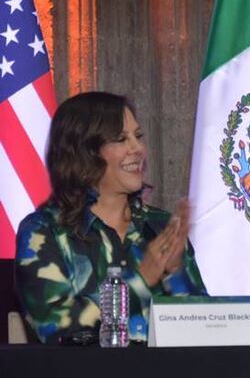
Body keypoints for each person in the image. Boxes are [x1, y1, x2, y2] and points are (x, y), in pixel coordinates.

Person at [14, 92, 206, 344]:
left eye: (138, 136)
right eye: (121, 139)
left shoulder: (160, 227)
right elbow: (54, 326)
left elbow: (203, 330)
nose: (138, 149)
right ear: (84, 152)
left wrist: (175, 273)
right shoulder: (44, 230)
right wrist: (141, 281)